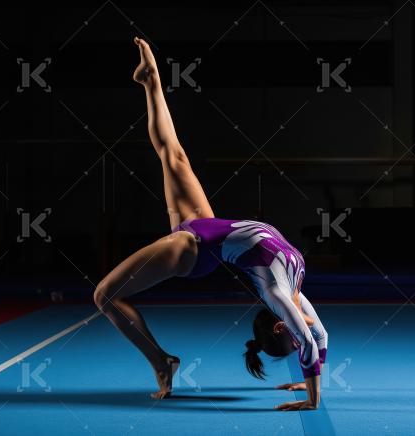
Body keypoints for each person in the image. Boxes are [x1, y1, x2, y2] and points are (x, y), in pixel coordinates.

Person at [92, 37, 327, 411]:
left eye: (294, 338)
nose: (303, 332)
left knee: (104, 296)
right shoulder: (297, 291)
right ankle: (151, 80)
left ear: (281, 325)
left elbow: (310, 342)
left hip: (193, 247)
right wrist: (304, 380)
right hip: (206, 230)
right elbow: (320, 336)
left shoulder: (277, 294)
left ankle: (160, 361)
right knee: (173, 154)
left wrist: (312, 400)